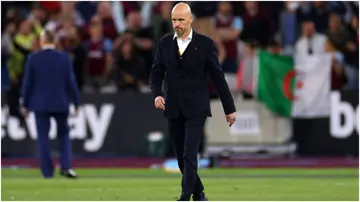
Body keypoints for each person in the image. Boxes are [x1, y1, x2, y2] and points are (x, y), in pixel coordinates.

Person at [149, 3, 236, 201]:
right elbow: (155, 74)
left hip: (197, 108)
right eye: (174, 20)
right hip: (173, 107)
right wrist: (157, 94)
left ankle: (185, 196)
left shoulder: (205, 44)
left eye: (181, 20)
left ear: (190, 20)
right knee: (181, 158)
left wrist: (229, 109)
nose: (177, 24)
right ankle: (199, 192)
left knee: (190, 153)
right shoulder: (164, 43)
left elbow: (218, 77)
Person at [21, 29, 80, 179]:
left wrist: (25, 104)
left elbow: (28, 84)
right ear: (54, 41)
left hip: (40, 103)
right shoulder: (64, 58)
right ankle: (66, 166)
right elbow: (71, 83)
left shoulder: (33, 58)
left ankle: (47, 172)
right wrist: (77, 102)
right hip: (60, 102)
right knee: (64, 135)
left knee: (43, 138)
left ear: (42, 41)